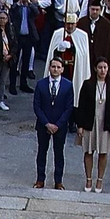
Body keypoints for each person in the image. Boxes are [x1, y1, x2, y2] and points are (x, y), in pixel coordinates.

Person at [74, 58, 110, 193]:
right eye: (100, 67)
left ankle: (100, 180)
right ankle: (89, 178)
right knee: (88, 151)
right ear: (95, 69)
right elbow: (81, 106)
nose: (102, 70)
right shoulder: (88, 84)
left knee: (103, 152)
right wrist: (80, 125)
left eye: (105, 67)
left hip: (105, 123)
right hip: (89, 122)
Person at [34, 56, 74, 189]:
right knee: (42, 152)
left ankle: (58, 181)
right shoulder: (41, 84)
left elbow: (69, 108)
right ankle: (40, 179)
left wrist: (58, 124)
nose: (55, 69)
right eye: (53, 66)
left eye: (58, 67)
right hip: (43, 124)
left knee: (59, 153)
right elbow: (37, 107)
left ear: (62, 69)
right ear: (49, 68)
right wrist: (46, 123)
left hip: (60, 126)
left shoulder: (68, 85)